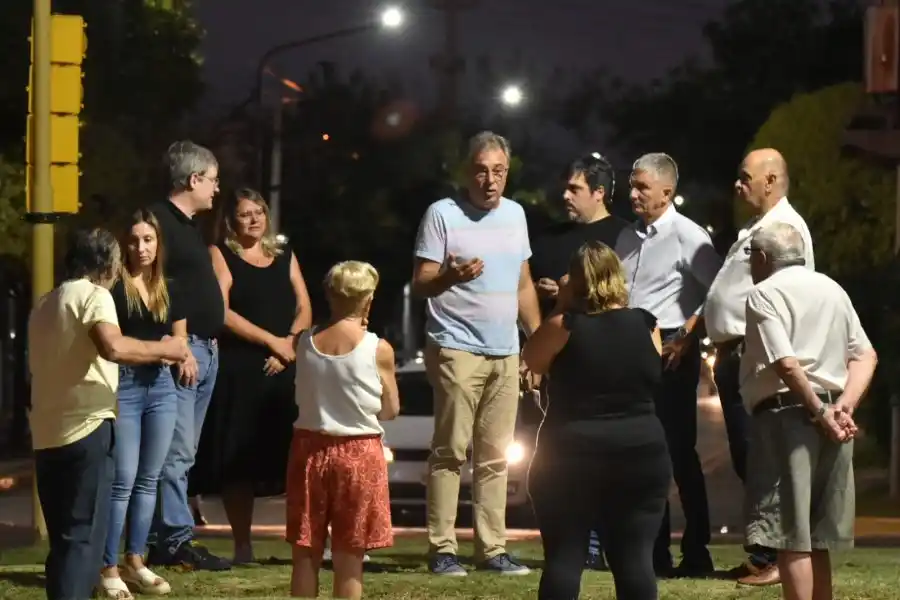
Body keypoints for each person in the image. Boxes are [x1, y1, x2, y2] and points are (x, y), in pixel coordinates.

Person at [28, 228, 189, 600]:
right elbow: (113, 348)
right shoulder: (94, 295)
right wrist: (169, 350)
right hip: (86, 429)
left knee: (66, 543)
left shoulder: (46, 302)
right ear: (109, 264)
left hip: (48, 432)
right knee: (84, 540)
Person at [413, 131, 541, 576]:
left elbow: (524, 284)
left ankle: (492, 550)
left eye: (499, 171)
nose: (490, 180)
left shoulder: (516, 215)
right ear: (468, 171)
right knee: (449, 452)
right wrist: (450, 277)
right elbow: (421, 282)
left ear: (508, 173)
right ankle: (443, 549)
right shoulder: (442, 214)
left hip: (505, 351)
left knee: (495, 456)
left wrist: (537, 344)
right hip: (456, 347)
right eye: (482, 170)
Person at [523, 241, 671, 600]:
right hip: (641, 451)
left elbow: (533, 360)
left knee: (564, 555)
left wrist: (561, 301)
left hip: (571, 453)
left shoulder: (565, 325)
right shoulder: (647, 324)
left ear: (576, 280)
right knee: (635, 558)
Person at [740, 222, 877, 600]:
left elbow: (785, 362)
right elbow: (865, 354)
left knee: (790, 533)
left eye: (752, 256)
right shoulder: (833, 289)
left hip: (789, 416)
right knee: (817, 536)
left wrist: (819, 412)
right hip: (833, 416)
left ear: (764, 258)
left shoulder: (763, 294)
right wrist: (842, 407)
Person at [704, 148, 815, 586]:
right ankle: (762, 553)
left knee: (759, 458)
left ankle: (771, 557)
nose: (738, 184)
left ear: (771, 180)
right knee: (747, 457)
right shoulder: (757, 225)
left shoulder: (785, 229)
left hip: (757, 355)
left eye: (745, 176)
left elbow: (792, 298)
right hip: (737, 354)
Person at [615, 152, 723, 577]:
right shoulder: (626, 237)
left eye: (642, 187)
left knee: (678, 453)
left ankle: (696, 551)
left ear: (667, 191)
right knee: (641, 455)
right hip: (632, 353)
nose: (634, 194)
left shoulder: (687, 235)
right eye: (632, 186)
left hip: (672, 354)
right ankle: (653, 553)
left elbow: (718, 292)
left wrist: (686, 335)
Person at [193, 188, 312, 564]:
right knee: (238, 464)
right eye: (246, 214)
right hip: (241, 370)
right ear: (231, 220)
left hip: (284, 369)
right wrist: (271, 342)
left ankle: (302, 543)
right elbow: (222, 312)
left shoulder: (283, 255)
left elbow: (305, 305)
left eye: (259, 212)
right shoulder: (221, 255)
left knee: (296, 459)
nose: (255, 219)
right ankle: (242, 545)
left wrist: (289, 345)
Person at [529, 152, 629, 570]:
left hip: (606, 360)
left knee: (609, 459)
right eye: (565, 187)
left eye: (575, 188)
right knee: (565, 458)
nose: (564, 195)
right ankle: (580, 540)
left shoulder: (624, 237)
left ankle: (610, 540)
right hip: (561, 360)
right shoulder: (550, 238)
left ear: (600, 193)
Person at [286, 261, 399, 599]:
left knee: (305, 553)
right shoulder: (377, 348)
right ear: (368, 299)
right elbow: (390, 409)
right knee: (349, 556)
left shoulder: (304, 343)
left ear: (329, 294)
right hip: (359, 451)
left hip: (308, 448)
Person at [147, 141, 230, 571]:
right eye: (213, 180)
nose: (217, 190)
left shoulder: (187, 225)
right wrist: (180, 348)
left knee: (184, 453)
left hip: (204, 348)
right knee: (175, 453)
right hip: (186, 350)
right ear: (194, 179)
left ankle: (169, 537)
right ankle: (173, 542)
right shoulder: (159, 221)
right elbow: (162, 289)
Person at [98, 210, 187, 599]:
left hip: (163, 388)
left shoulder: (170, 285)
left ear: (158, 242)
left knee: (150, 479)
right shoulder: (114, 287)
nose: (141, 247)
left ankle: (136, 560)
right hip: (127, 388)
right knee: (123, 481)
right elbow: (118, 348)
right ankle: (107, 566)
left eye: (148, 239)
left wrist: (179, 354)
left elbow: (180, 341)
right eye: (134, 240)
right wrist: (163, 351)